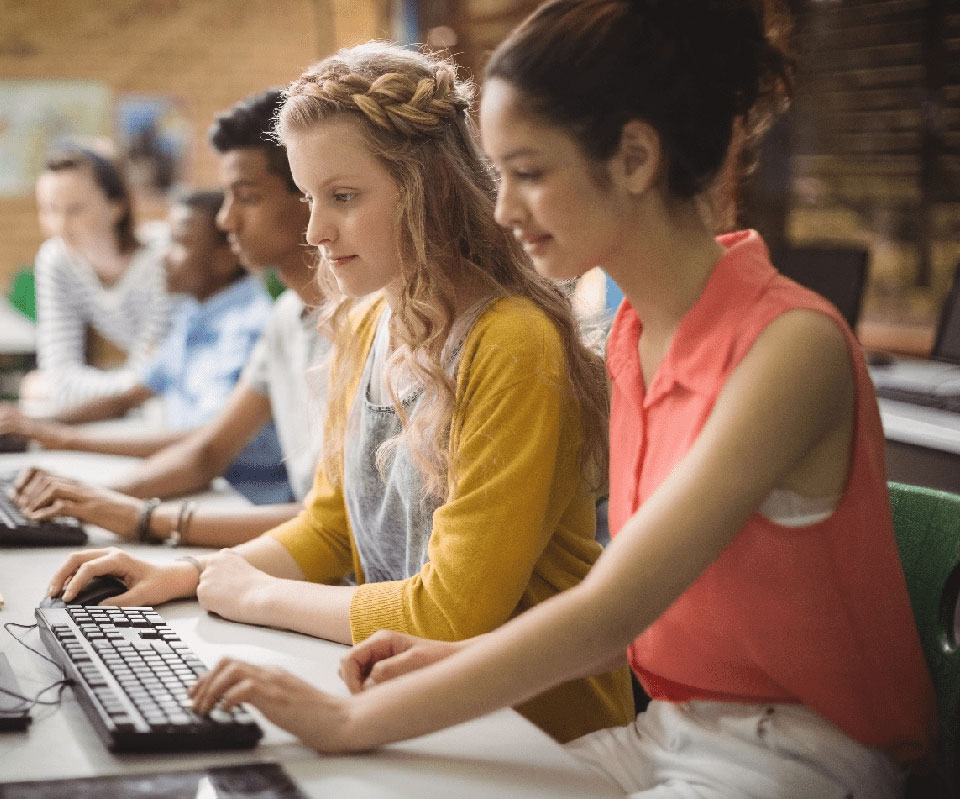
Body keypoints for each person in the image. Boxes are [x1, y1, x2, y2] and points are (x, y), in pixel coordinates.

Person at [186, 4, 937, 797]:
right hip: (666, 730)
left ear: (636, 158)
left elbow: (612, 612)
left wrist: (347, 722)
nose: (502, 208)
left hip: (798, 755)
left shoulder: (791, 347)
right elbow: (652, 608)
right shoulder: (634, 336)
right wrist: (451, 658)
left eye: (529, 173)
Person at [45, 43, 634, 746]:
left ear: (430, 189)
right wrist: (190, 574)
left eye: (344, 197)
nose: (316, 231)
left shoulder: (510, 341)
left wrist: (257, 594)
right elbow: (331, 527)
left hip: (541, 736)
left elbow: (453, 610)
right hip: (416, 707)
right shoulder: (367, 318)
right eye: (308, 198)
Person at [8, 90, 330, 547]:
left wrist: (139, 516)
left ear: (308, 201)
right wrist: (91, 498)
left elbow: (331, 526)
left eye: (248, 198)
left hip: (277, 535)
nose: (226, 220)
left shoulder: (345, 327)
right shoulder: (283, 318)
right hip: (261, 530)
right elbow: (206, 451)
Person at [0, 190, 291, 505]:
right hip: (196, 484)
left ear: (224, 258)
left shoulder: (248, 329)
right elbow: (130, 395)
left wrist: (65, 441)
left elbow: (205, 440)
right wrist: (39, 423)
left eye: (180, 244)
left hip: (240, 501)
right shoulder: (195, 312)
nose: (162, 256)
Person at [26, 145, 172, 409]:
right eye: (48, 210)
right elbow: (61, 377)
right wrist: (59, 386)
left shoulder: (165, 260)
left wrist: (57, 387)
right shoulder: (56, 260)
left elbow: (150, 385)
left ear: (116, 207)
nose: (59, 225)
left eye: (74, 210)